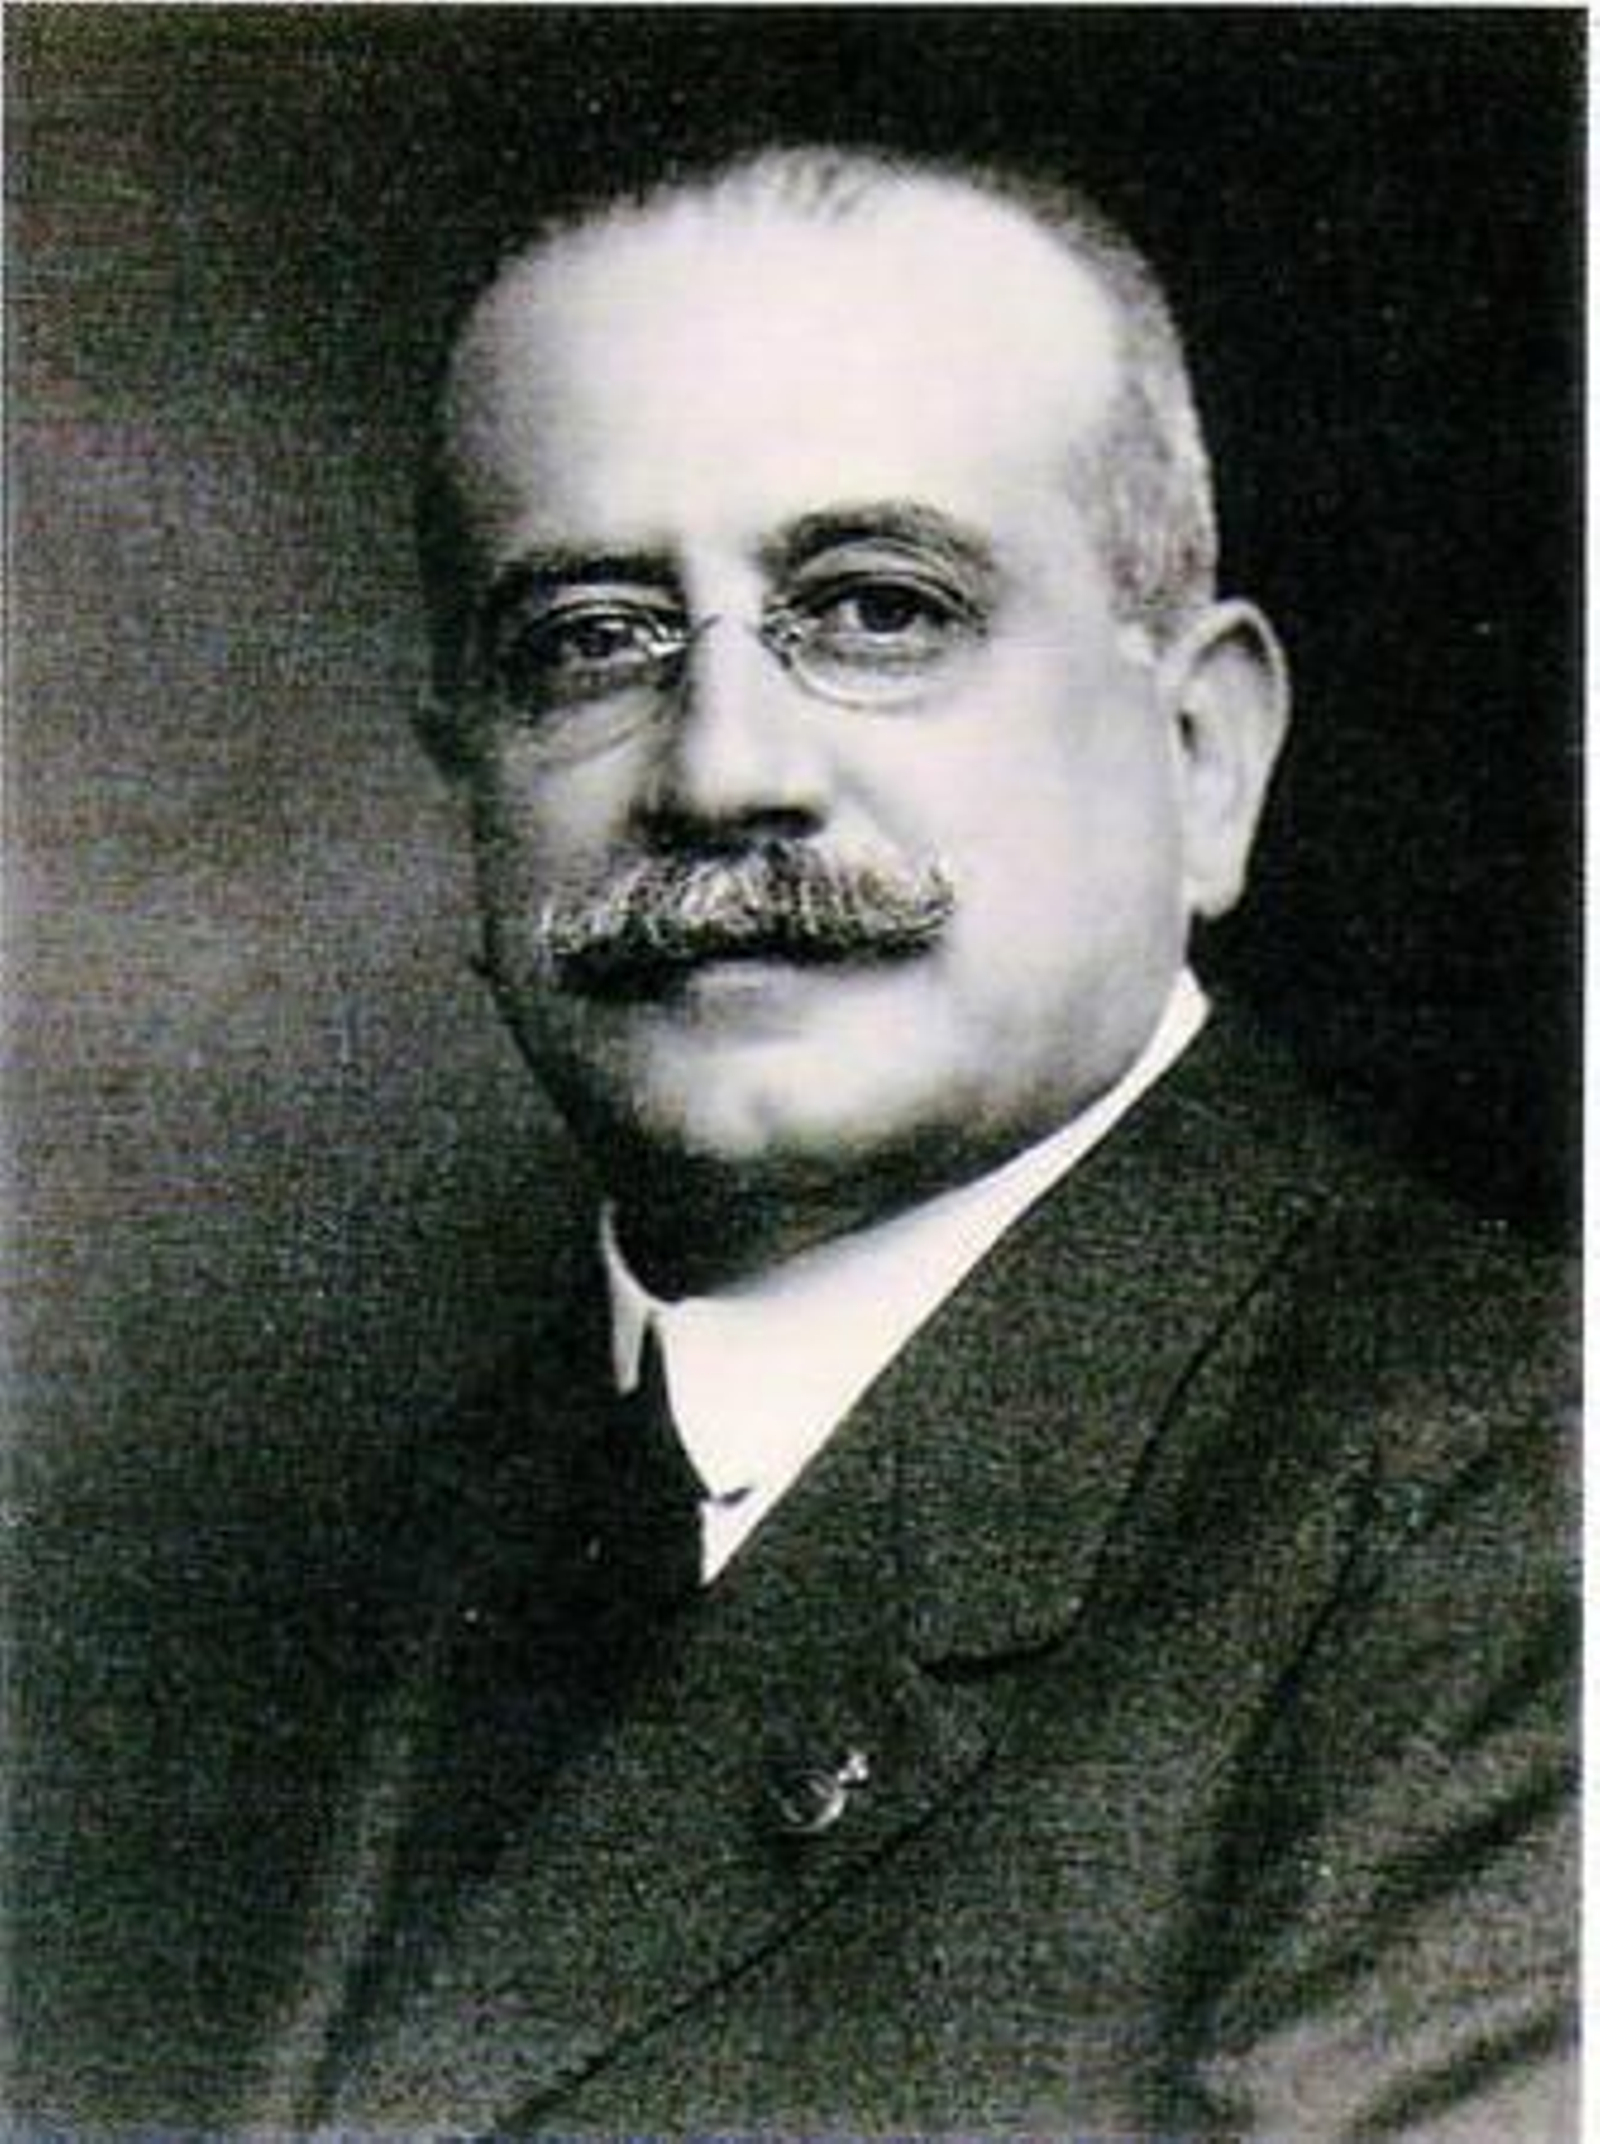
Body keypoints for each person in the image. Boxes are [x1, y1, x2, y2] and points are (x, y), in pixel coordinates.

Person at [250, 145, 1574, 2137]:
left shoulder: (1516, 1528)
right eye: (590, 640)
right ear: (469, 795)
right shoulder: (349, 1585)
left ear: (1202, 756)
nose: (721, 772)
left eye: (878, 610)